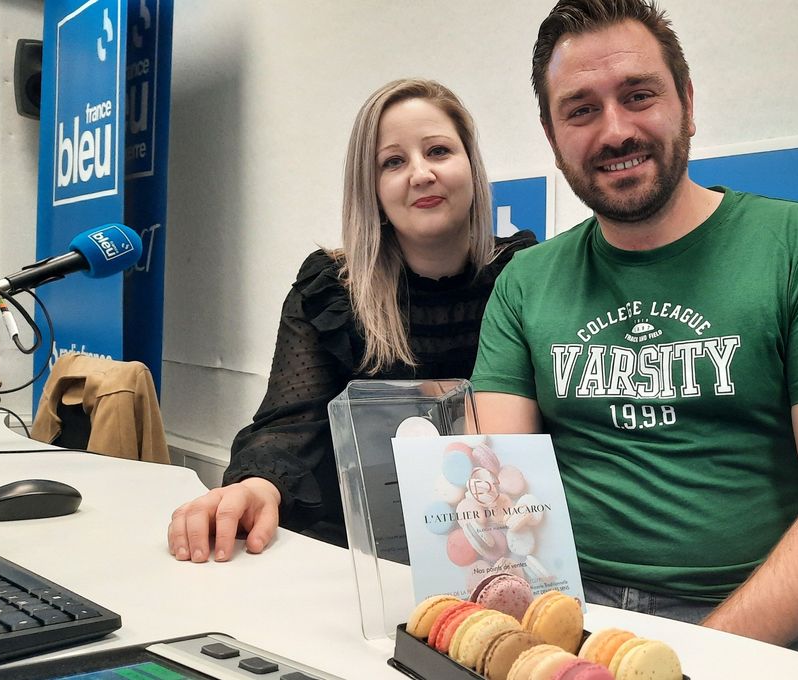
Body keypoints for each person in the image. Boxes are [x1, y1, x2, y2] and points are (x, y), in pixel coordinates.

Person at [470, 0, 798, 664]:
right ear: (553, 135)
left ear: (688, 103)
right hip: (568, 614)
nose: (615, 131)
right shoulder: (526, 282)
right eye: (581, 109)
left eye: (638, 95)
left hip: (755, 622)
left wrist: (687, 661)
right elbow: (494, 491)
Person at [168, 79, 536, 563]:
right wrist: (259, 483)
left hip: (498, 543)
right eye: (393, 162)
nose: (421, 174)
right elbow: (291, 420)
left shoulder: (525, 275)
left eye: (438, 151)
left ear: (471, 163)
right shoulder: (332, 288)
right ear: (372, 187)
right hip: (357, 556)